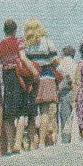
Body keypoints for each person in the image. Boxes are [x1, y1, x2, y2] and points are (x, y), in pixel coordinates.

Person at [0, 20, 36, 153]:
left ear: (4, 30)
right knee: (21, 111)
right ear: (15, 30)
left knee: (8, 112)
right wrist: (33, 71)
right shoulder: (18, 42)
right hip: (18, 76)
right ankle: (18, 142)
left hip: (6, 76)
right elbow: (23, 58)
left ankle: (11, 144)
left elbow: (0, 61)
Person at [24, 20, 60, 148]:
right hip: (47, 77)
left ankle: (32, 143)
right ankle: (42, 142)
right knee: (45, 111)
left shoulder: (27, 45)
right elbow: (55, 61)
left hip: (33, 79)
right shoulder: (47, 41)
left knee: (33, 113)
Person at [55, 46, 78, 144]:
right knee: (75, 118)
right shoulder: (76, 64)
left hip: (64, 91)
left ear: (64, 53)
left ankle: (65, 141)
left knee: (65, 118)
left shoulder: (61, 63)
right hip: (75, 91)